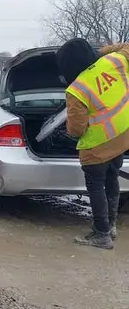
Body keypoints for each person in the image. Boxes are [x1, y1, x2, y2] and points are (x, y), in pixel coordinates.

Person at [56, 38, 129, 249]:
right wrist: (99, 53)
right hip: (121, 137)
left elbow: (76, 129)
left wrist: (67, 127)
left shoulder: (76, 89)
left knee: (96, 187)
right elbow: (125, 46)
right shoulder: (115, 62)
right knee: (112, 178)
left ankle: (101, 234)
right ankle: (111, 225)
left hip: (96, 147)